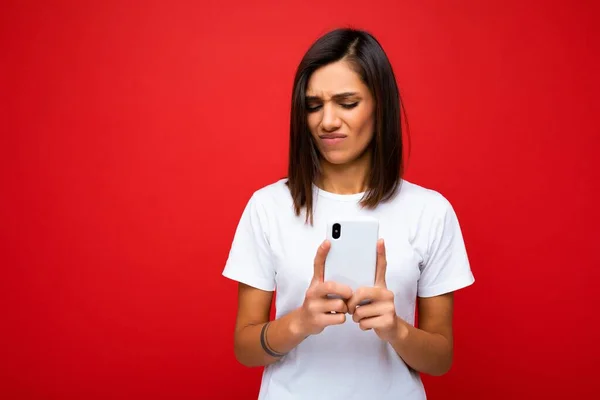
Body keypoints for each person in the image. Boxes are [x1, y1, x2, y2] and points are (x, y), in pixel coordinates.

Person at [222, 27, 475, 400]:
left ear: (380, 105)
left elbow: (440, 359)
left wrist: (395, 330)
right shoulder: (268, 206)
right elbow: (245, 348)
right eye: (313, 105)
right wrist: (300, 323)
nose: (326, 121)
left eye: (347, 102)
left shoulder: (430, 211)